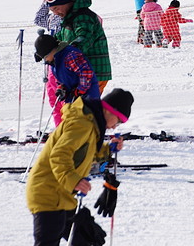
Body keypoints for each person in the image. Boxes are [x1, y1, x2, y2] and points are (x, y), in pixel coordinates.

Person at [26, 88, 132, 246]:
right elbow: (59, 155)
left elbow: (85, 153)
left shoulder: (90, 124)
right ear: (110, 111)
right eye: (118, 121)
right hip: (48, 194)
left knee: (88, 237)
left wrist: (108, 150)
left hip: (62, 195)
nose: (115, 127)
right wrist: (74, 180)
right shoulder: (82, 124)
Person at [46, 0, 112, 94]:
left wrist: (67, 55)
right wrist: (46, 47)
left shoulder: (83, 16)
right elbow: (59, 40)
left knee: (85, 108)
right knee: (78, 108)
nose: (56, 13)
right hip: (81, 70)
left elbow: (83, 38)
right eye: (52, 11)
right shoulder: (69, 17)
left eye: (56, 8)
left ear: (65, 2)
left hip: (93, 70)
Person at [34, 33, 101, 126]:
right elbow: (62, 79)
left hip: (88, 97)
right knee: (72, 123)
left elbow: (86, 73)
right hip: (74, 98)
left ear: (51, 51)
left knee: (84, 124)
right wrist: (62, 88)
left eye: (45, 57)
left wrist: (80, 90)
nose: (46, 61)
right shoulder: (54, 62)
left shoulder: (70, 55)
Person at [34, 0, 72, 127]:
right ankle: (60, 128)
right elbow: (38, 19)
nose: (51, 7)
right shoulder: (50, 17)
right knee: (53, 97)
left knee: (63, 98)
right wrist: (46, 1)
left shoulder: (66, 13)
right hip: (51, 62)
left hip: (64, 59)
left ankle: (69, 130)